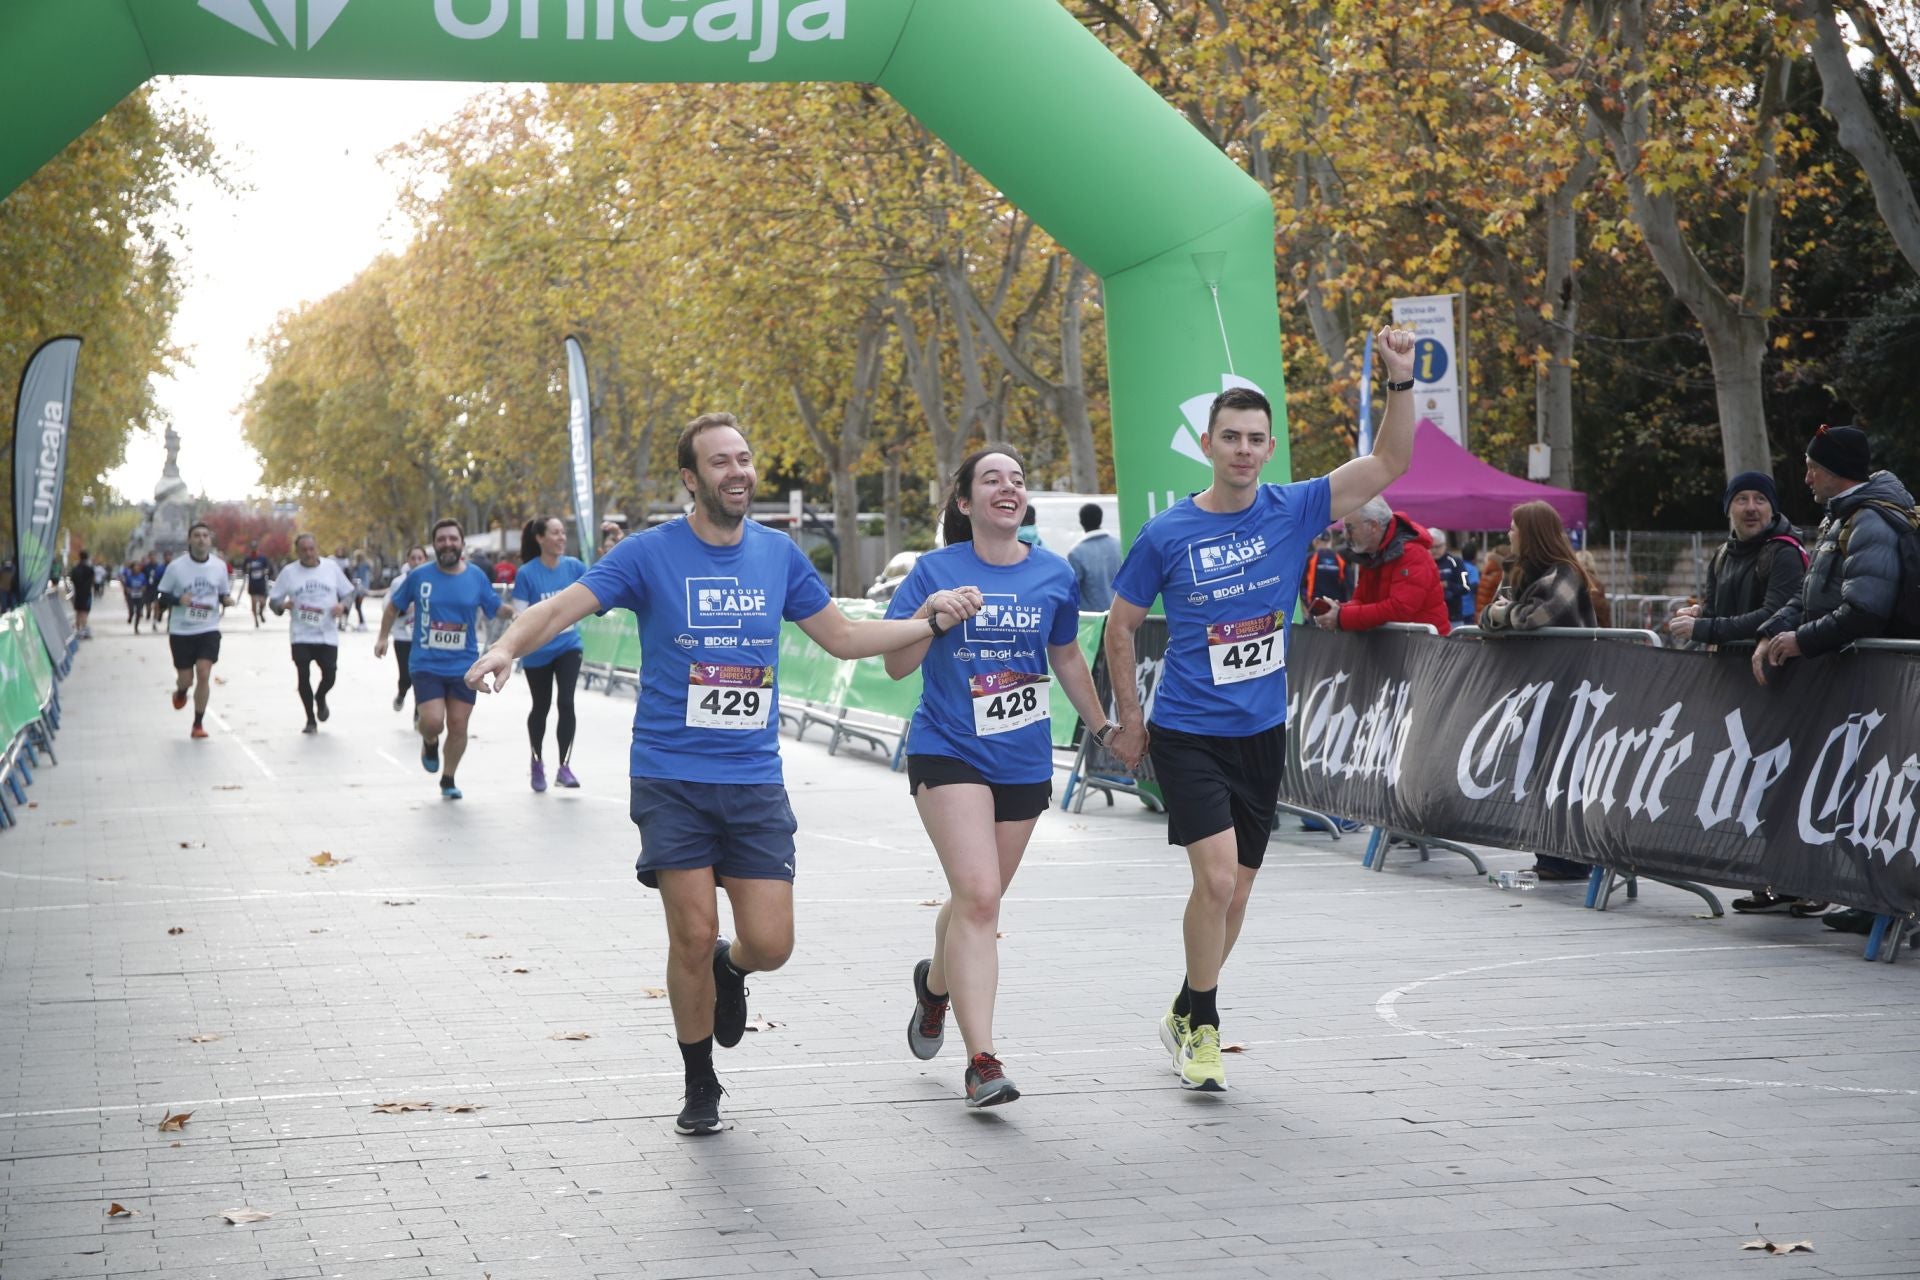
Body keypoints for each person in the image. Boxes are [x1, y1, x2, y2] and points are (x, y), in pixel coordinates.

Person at [464, 411, 982, 1137]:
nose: (738, 472)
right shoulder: (649, 554)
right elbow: (560, 609)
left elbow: (843, 638)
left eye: (744, 458)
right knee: (689, 932)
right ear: (690, 478)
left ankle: (730, 970)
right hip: (671, 777)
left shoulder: (778, 555)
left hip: (752, 779)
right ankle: (699, 1080)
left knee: (770, 943)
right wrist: (507, 648)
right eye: (720, 462)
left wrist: (926, 623)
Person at [1103, 326, 1419, 1092]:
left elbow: (1389, 463)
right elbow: (1119, 626)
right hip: (1185, 731)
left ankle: (1184, 1006)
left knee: (1236, 891)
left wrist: (1402, 380)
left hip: (1260, 734)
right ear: (1206, 445)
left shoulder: (1293, 508)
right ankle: (1205, 1025)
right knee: (1214, 882)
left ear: (1268, 447)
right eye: (1230, 438)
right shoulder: (1168, 532)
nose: (1244, 450)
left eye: (1256, 439)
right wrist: (1130, 720)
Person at [886, 446, 1110, 1108]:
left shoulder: (1053, 573)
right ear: (965, 502)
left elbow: (1066, 656)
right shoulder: (933, 570)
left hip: (1021, 757)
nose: (1007, 487)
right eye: (992, 479)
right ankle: (981, 1062)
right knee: (981, 896)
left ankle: (935, 987)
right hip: (948, 748)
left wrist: (1103, 727)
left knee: (972, 901)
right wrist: (933, 619)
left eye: (1016, 479)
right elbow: (897, 665)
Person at [1751, 427, 1914, 937]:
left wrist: (1802, 642)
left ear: (1835, 471)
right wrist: (1773, 632)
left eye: (1811, 466)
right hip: (1854, 685)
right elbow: (1811, 595)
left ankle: (1887, 899)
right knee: (1854, 791)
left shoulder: (1869, 521)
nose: (1805, 476)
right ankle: (1870, 895)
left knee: (1875, 791)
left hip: (1879, 686)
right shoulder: (1843, 517)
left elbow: (1865, 607)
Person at [1480, 500, 1601, 881]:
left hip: (1570, 690)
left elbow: (1535, 617)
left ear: (1531, 532)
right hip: (1537, 690)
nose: (1508, 533)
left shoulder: (1565, 574)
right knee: (1539, 770)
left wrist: (1504, 615)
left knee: (1566, 771)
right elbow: (1487, 616)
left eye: (1514, 526)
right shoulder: (1517, 573)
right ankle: (1549, 854)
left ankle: (1574, 857)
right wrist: (1501, 615)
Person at [374, 520, 513, 799]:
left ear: (462, 543)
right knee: (435, 722)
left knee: (459, 725)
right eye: (441, 539)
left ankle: (448, 778)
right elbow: (393, 607)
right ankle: (429, 740)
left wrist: (523, 614)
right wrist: (382, 637)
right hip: (426, 663)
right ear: (434, 545)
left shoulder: (475, 576)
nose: (447, 543)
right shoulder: (419, 576)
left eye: (453, 539)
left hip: (465, 665)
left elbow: (495, 608)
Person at [1669, 471, 1807, 650]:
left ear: (1772, 509)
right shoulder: (1722, 554)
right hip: (1726, 671)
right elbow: (1715, 613)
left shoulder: (1785, 553)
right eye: (1741, 499)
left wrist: (1705, 629)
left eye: (1760, 499)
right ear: (1728, 509)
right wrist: (1699, 615)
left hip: (1772, 670)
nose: (1751, 508)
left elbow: (1774, 617)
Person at [513, 516, 587, 791]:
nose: (561, 537)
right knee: (541, 707)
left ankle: (564, 767)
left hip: (569, 646)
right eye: (554, 533)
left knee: (566, 702)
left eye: (562, 533)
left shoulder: (575, 567)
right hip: (537, 650)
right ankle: (536, 762)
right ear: (540, 538)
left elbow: (600, 587)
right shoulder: (527, 573)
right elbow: (520, 618)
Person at [1308, 497, 1450, 635]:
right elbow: (1363, 602)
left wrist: (1341, 616)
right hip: (1405, 646)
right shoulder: (1373, 555)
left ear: (1373, 526)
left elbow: (1400, 609)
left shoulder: (1412, 553)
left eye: (1350, 528)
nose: (1346, 535)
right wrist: (1338, 610)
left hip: (1426, 648)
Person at [267, 534, 356, 734]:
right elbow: (273, 601)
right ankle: (310, 719)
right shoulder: (289, 572)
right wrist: (282, 605)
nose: (308, 553)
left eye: (311, 549)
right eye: (303, 550)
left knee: (330, 675)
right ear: (297, 552)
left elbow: (349, 592)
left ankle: (320, 697)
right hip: (301, 634)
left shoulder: (331, 568)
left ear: (317, 548)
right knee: (303, 675)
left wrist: (343, 605)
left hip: (327, 633)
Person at [156, 522, 235, 740]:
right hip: (181, 631)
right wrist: (177, 600)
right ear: (190, 540)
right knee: (186, 679)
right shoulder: (176, 567)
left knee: (203, 673)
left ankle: (198, 724)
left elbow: (221, 593)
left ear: (210, 540)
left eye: (205, 536)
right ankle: (181, 691)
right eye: (197, 536)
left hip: (208, 628)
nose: (201, 539)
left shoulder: (219, 566)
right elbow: (161, 596)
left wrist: (226, 599)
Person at [387, 545, 428, 712]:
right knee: (406, 676)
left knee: (422, 676)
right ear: (408, 560)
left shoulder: (433, 580)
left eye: (420, 558)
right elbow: (388, 608)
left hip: (425, 637)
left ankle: (418, 714)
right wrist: (406, 608)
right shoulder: (398, 582)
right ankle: (402, 693)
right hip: (403, 635)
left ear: (425, 560)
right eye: (413, 558)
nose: (417, 562)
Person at [1067, 501, 1121, 612]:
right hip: (1121, 616)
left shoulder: (1076, 553)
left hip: (1093, 624)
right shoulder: (1119, 545)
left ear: (1081, 522)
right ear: (1101, 519)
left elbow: (1070, 592)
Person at [1299, 530, 1351, 612]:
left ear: (1315, 541)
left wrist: (1306, 604)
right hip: (1336, 608)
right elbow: (1348, 586)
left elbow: (1301, 584)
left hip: (1314, 607)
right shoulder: (1340, 559)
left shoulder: (1310, 558)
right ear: (1330, 540)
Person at [243, 542, 273, 626]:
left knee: (262, 602)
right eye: (253, 547)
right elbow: (244, 570)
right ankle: (255, 620)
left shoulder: (262, 558)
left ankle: (260, 612)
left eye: (255, 547)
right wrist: (247, 569)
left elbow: (268, 568)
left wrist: (266, 571)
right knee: (253, 602)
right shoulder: (248, 559)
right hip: (252, 583)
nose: (254, 549)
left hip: (261, 583)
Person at [67, 551, 95, 639]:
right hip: (86, 593)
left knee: (78, 611)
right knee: (84, 611)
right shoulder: (89, 569)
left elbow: (72, 579)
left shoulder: (75, 568)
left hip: (78, 593)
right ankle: (84, 629)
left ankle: (78, 629)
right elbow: (92, 581)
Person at [121, 560, 149, 633]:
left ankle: (136, 627)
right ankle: (130, 616)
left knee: (139, 612)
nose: (136, 568)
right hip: (131, 596)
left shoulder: (142, 576)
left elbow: (145, 585)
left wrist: (143, 589)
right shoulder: (129, 577)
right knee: (132, 610)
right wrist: (128, 590)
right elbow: (126, 586)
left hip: (140, 596)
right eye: (135, 567)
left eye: (138, 567)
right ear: (132, 568)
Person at [350, 552, 373, 630]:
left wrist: (361, 588)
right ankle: (361, 623)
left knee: (358, 606)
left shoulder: (361, 566)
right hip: (360, 589)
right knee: (358, 606)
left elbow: (360, 578)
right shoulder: (364, 566)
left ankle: (362, 623)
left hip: (359, 589)